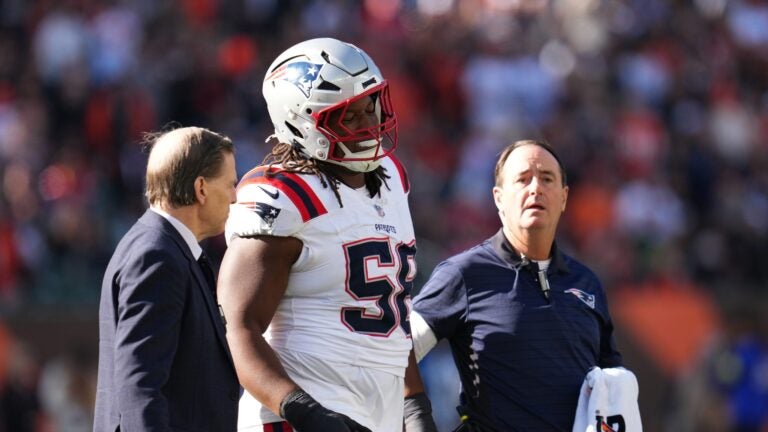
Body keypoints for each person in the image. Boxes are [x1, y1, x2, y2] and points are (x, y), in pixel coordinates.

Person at [218, 38, 436, 432]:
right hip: (301, 412)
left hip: (379, 410)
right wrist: (303, 409)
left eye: (371, 106)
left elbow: (390, 311)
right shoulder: (282, 199)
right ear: (301, 122)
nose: (369, 123)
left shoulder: (391, 179)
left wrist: (415, 403)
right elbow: (239, 328)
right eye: (349, 117)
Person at [408, 139, 624, 431]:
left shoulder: (588, 283)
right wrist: (417, 418)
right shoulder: (464, 273)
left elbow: (612, 383)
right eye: (522, 179)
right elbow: (398, 352)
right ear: (499, 197)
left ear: (563, 197)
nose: (535, 188)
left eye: (547, 179)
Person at [94, 126, 240, 432]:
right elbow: (140, 388)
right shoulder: (157, 256)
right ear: (201, 188)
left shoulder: (163, 248)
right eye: (230, 185)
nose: (235, 197)